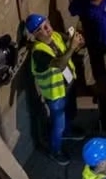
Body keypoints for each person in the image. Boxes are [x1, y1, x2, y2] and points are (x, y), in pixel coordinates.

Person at [27, 12, 84, 165]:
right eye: (41, 29)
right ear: (35, 34)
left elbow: (65, 47)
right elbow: (60, 63)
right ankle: (55, 151)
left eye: (47, 24)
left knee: (68, 113)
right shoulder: (39, 52)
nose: (47, 29)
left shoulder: (56, 36)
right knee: (58, 124)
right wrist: (72, 48)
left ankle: (68, 132)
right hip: (55, 94)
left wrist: (75, 42)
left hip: (68, 85)